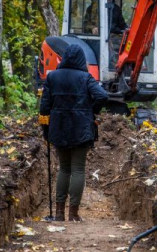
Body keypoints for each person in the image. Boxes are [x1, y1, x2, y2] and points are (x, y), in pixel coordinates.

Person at [39, 44, 108, 221]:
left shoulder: (52, 76)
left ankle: (59, 213)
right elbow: (102, 96)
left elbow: (44, 106)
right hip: (81, 129)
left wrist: (46, 127)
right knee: (78, 169)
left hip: (59, 127)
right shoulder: (86, 78)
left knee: (64, 169)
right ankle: (74, 214)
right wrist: (91, 111)